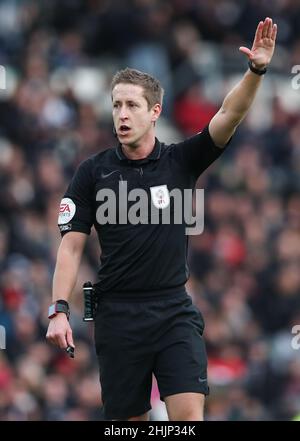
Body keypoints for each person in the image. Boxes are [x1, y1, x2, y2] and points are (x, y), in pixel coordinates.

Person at [46, 17, 277, 421]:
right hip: (117, 316)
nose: (122, 113)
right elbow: (72, 244)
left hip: (173, 311)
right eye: (116, 104)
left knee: (188, 419)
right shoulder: (92, 172)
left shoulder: (181, 161)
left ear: (155, 112)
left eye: (132, 105)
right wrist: (59, 309)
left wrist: (256, 70)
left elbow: (229, 114)